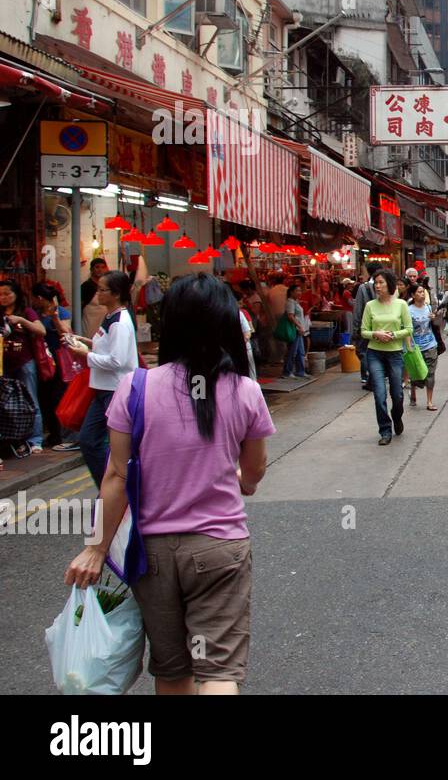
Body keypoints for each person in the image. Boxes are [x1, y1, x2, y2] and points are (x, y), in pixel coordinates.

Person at [64, 272, 272, 695]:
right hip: (218, 548)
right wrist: (241, 482)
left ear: (170, 323)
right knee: (217, 671)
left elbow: (117, 477)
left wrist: (96, 547)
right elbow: (254, 470)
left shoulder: (135, 388)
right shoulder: (246, 391)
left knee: (173, 669)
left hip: (153, 554)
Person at [64, 270, 138, 484]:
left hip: (115, 391)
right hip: (103, 390)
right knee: (90, 441)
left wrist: (85, 355)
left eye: (102, 289)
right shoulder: (110, 317)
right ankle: (109, 486)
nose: (97, 294)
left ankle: (115, 488)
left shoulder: (120, 322)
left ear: (115, 294)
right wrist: (82, 341)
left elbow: (117, 361)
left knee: (107, 443)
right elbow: (106, 349)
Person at [360, 269, 412, 445]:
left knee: (397, 394)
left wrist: (393, 335)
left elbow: (409, 329)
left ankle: (397, 417)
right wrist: (376, 334)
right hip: (374, 353)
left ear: (389, 284)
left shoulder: (401, 305)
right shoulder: (370, 306)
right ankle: (385, 430)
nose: (378, 285)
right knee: (379, 394)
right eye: (376, 282)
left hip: (395, 353)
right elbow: (363, 331)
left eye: (381, 282)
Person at [1, 279, 49, 455]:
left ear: (16, 295)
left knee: (30, 400)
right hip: (3, 365)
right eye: (0, 294)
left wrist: (20, 320)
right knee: (6, 405)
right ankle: (13, 440)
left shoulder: (27, 312)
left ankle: (35, 439)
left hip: (25, 362)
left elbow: (41, 330)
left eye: (7, 293)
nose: (4, 297)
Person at [32, 284, 75, 449]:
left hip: (58, 359)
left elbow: (66, 333)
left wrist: (55, 317)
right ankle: (54, 434)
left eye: (34, 298)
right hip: (42, 359)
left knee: (58, 396)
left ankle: (63, 434)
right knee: (45, 397)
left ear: (40, 298)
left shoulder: (61, 312)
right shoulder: (34, 314)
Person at [406, 284, 440, 411]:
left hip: (431, 344)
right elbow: (407, 331)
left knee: (430, 374)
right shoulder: (409, 310)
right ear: (413, 295)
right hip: (416, 347)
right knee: (417, 374)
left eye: (423, 292)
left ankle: (429, 401)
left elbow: (435, 325)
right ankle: (413, 392)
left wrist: (434, 319)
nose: (422, 294)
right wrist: (409, 347)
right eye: (419, 292)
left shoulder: (428, 307)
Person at [352, 263, 379, 388]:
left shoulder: (364, 288)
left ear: (368, 272)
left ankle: (368, 377)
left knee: (364, 352)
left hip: (367, 327)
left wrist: (355, 330)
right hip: (383, 327)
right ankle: (376, 376)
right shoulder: (387, 286)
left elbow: (358, 311)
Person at [281, 285, 309, 380]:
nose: (299, 292)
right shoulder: (290, 302)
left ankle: (300, 371)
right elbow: (290, 316)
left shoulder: (295, 302)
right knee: (292, 351)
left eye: (300, 290)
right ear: (291, 292)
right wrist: (299, 326)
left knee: (300, 352)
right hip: (295, 330)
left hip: (299, 331)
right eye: (297, 291)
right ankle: (287, 372)